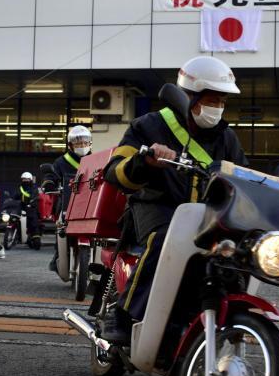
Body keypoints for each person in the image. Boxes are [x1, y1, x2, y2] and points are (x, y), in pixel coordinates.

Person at [100, 56, 248, 345]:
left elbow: (244, 177)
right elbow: (114, 171)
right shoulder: (149, 125)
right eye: (211, 99)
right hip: (156, 206)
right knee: (168, 238)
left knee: (236, 251)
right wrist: (144, 162)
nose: (217, 107)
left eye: (222, 101)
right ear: (188, 96)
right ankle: (123, 314)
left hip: (207, 216)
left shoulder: (226, 137)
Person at [42, 125, 92, 272]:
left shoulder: (95, 159)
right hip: (66, 201)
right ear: (70, 145)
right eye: (78, 143)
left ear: (90, 143)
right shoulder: (61, 162)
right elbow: (51, 175)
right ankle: (58, 254)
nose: (82, 146)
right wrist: (49, 183)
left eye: (84, 142)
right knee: (60, 225)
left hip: (90, 201)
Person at [15, 172, 41, 246]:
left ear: (30, 179)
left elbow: (35, 196)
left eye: (27, 179)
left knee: (33, 219)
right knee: (14, 215)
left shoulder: (34, 188)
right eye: (23, 179)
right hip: (22, 206)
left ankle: (35, 235)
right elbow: (15, 196)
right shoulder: (20, 187)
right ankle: (16, 233)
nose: (25, 181)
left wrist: (32, 201)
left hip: (31, 206)